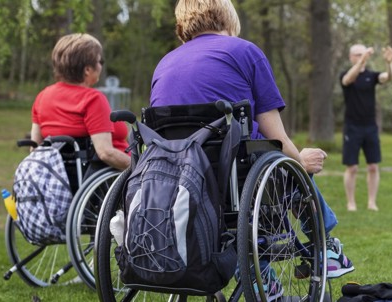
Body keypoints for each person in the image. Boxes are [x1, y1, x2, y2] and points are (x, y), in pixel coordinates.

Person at [150, 0, 354, 296]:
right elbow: (276, 135)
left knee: (263, 173)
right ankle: (325, 245)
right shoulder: (244, 51)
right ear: (227, 17)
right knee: (287, 165)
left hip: (178, 179)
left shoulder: (165, 63)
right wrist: (301, 163)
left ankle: (264, 277)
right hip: (236, 173)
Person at [30, 33, 130, 178]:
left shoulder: (42, 96)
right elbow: (106, 152)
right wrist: (140, 167)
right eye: (99, 61)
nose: (101, 66)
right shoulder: (93, 99)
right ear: (87, 70)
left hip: (58, 177)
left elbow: (35, 149)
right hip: (104, 179)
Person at [340, 44, 392, 212]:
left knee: (373, 166)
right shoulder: (346, 75)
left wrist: (389, 63)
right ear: (351, 57)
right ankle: (351, 203)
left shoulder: (372, 76)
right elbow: (347, 80)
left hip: (370, 126)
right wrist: (363, 59)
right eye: (357, 54)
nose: (360, 57)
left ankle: (372, 202)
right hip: (352, 127)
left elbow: (389, 78)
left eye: (362, 54)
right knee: (352, 167)